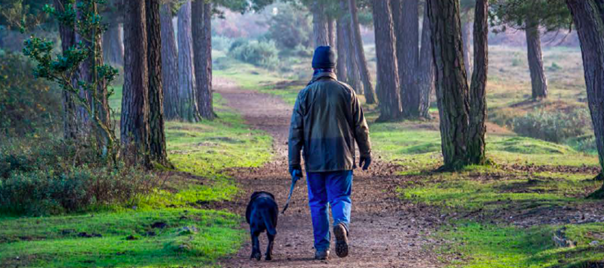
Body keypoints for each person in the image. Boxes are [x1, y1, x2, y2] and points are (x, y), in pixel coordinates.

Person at [288, 46, 372, 260]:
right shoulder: (347, 92)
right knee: (341, 197)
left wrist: (294, 162)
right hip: (342, 157)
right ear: (334, 67)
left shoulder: (305, 94)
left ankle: (321, 248)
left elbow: (295, 131)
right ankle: (341, 224)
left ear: (314, 66)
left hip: (315, 159)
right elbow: (360, 127)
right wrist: (365, 152)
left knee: (317, 203)